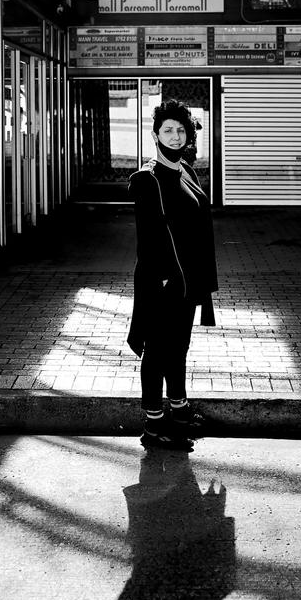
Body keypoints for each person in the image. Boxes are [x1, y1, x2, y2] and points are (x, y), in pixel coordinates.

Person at [127, 98, 218, 450]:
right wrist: (164, 278)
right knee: (157, 351)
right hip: (162, 282)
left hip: (187, 281)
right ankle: (153, 425)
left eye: (181, 130)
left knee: (178, 347)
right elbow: (147, 238)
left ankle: (178, 411)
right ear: (155, 135)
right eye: (168, 130)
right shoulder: (148, 180)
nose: (176, 136)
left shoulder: (186, 172)